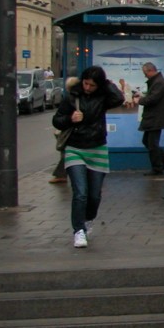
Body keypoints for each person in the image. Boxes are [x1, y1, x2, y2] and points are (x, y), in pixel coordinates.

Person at [52, 66, 125, 248]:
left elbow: (119, 98)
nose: (88, 88)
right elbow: (57, 120)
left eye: (92, 85)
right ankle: (78, 231)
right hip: (75, 148)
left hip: (97, 148)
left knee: (94, 195)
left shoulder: (103, 97)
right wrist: (70, 118)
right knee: (81, 193)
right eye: (85, 83)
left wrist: (106, 83)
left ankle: (88, 219)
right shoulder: (72, 96)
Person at [134, 61, 164, 175]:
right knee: (148, 141)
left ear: (151, 71)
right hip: (154, 117)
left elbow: (153, 99)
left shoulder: (159, 82)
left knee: (152, 143)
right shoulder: (158, 81)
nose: (145, 75)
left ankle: (158, 167)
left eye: (145, 72)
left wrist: (140, 100)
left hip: (155, 117)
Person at [49, 76, 79, 185]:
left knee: (65, 151)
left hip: (70, 131)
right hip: (73, 130)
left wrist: (67, 120)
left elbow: (60, 118)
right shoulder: (78, 97)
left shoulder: (70, 98)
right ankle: (61, 174)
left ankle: (61, 175)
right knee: (65, 152)